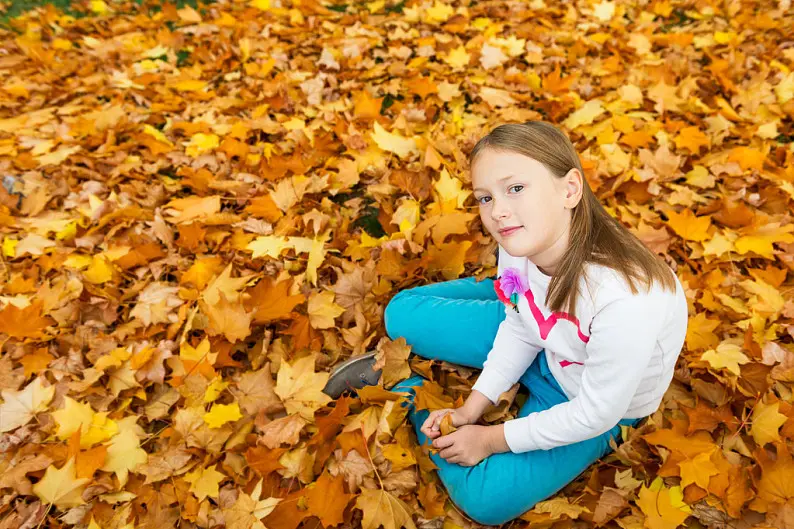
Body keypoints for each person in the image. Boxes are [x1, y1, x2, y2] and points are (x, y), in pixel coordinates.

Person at [325, 121, 688, 525]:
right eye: (485, 197)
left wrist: (490, 439)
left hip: (585, 398)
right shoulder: (517, 241)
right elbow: (520, 325)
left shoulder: (625, 300)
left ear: (569, 189)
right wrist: (473, 405)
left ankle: (401, 388)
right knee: (400, 314)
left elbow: (595, 413)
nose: (497, 212)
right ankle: (499, 293)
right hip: (542, 337)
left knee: (486, 501)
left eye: (515, 188)